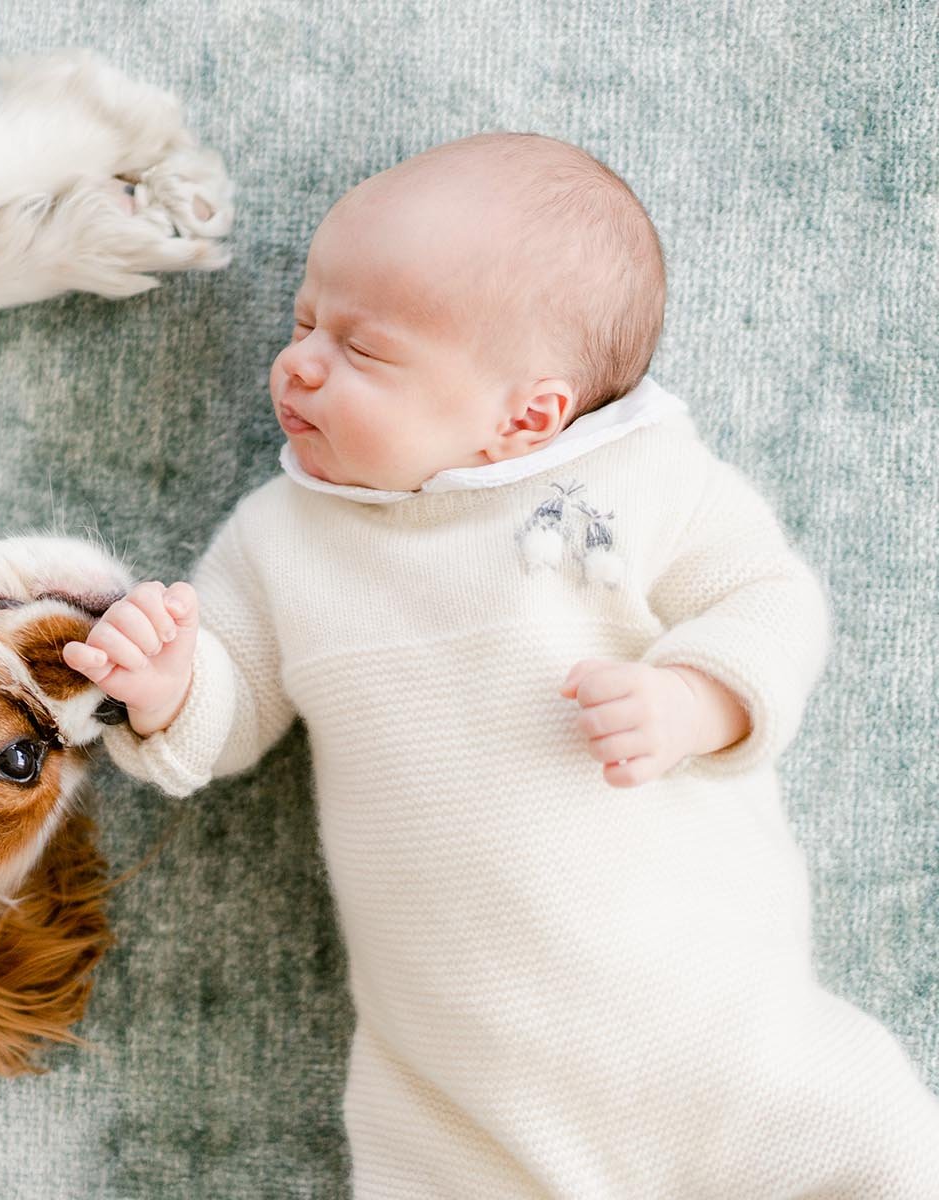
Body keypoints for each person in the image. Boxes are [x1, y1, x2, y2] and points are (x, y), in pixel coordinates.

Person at [65, 132, 939, 1196]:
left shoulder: (644, 478)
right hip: (465, 1104)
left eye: (363, 350)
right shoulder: (279, 538)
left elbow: (770, 599)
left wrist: (695, 697)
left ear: (525, 417)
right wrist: (170, 692)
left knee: (883, 1151)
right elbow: (233, 704)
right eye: (303, 323)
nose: (298, 362)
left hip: (720, 1036)